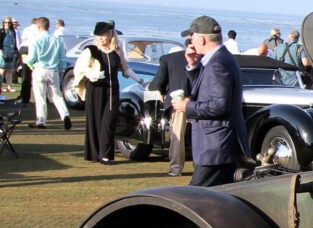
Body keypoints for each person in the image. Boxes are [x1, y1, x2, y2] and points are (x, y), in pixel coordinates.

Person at [171, 15, 250, 186]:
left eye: (191, 37)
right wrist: (192, 66)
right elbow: (206, 91)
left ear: (201, 39)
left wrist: (187, 106)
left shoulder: (217, 64)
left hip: (215, 148)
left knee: (194, 198)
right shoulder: (221, 59)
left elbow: (220, 105)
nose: (190, 42)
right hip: (218, 146)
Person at [75, 20, 142, 163]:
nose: (100, 38)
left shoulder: (117, 50)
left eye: (103, 35)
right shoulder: (91, 50)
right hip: (96, 89)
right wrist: (93, 75)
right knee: (95, 121)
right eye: (98, 35)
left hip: (112, 91)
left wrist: (140, 80)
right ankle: (94, 154)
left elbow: (125, 68)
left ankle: (105, 154)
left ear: (110, 34)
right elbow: (80, 68)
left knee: (108, 122)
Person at [151, 38, 200, 176]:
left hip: (177, 101)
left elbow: (160, 80)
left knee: (177, 135)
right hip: (197, 101)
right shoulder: (203, 58)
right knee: (197, 135)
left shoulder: (168, 59)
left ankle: (176, 167)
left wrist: (161, 92)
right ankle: (199, 167)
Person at [26, 17, 71, 130]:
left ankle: (41, 121)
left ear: (39, 27)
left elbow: (31, 58)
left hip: (40, 69)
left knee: (40, 97)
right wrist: (61, 69)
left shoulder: (35, 40)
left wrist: (25, 61)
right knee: (56, 96)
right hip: (53, 70)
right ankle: (65, 115)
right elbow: (62, 58)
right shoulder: (57, 40)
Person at [2, 17, 21, 90]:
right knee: (2, 70)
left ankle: (8, 86)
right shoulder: (2, 31)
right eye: (5, 22)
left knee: (10, 70)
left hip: (11, 51)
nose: (7, 24)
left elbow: (15, 42)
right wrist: (3, 52)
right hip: (3, 51)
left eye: (9, 23)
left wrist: (16, 51)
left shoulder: (13, 32)